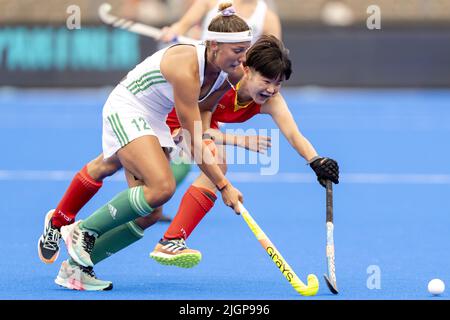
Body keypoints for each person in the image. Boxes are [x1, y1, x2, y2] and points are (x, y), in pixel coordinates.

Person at [38, 2, 252, 291]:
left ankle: (75, 269)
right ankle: (80, 229)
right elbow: (194, 138)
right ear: (213, 45)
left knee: (147, 210)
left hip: (155, 118)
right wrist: (223, 185)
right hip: (129, 107)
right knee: (162, 186)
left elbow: (240, 100)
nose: (242, 58)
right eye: (237, 51)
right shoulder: (187, 68)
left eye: (246, 50)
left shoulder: (229, 70)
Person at [149, 35, 339, 267]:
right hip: (169, 118)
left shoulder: (271, 100)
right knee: (213, 162)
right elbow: (199, 131)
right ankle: (172, 238)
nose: (271, 90)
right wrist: (240, 140)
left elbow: (293, 134)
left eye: (278, 83)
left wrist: (315, 161)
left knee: (147, 212)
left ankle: (170, 239)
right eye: (267, 80)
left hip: (195, 127)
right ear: (247, 70)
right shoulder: (224, 80)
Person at [159, 0, 282, 43]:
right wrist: (171, 31)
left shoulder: (269, 18)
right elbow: (181, 26)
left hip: (237, 80)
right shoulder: (212, 1)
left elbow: (272, 57)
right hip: (203, 70)